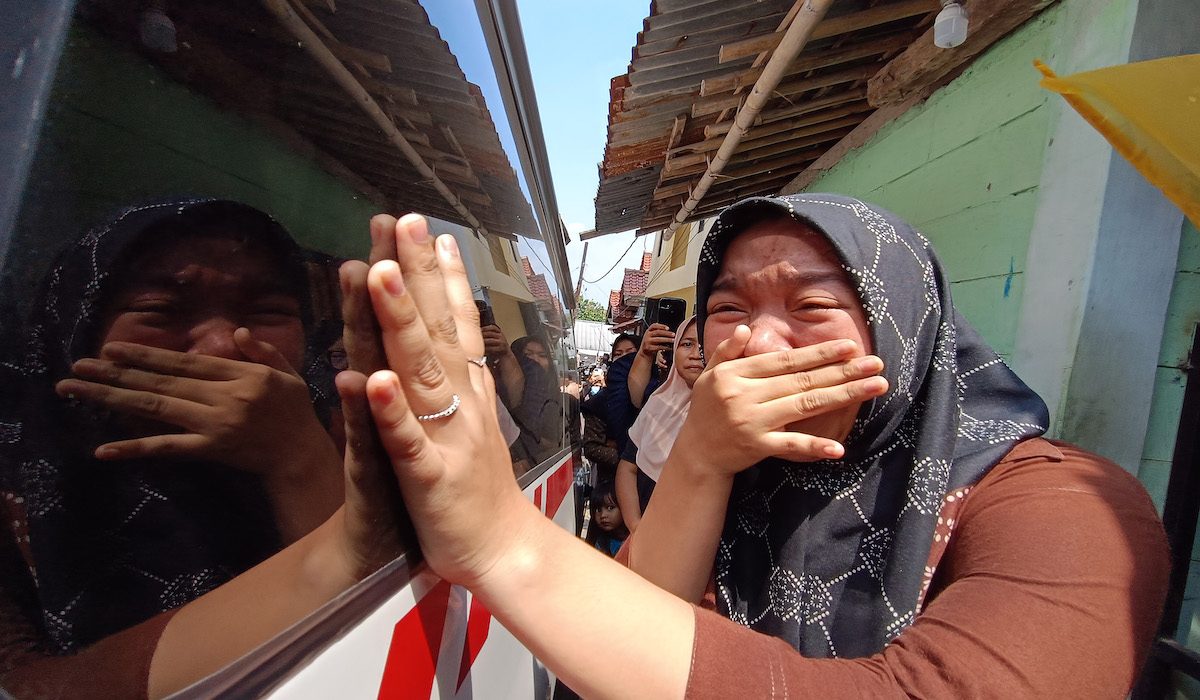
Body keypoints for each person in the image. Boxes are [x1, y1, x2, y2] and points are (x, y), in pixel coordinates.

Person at [355, 198, 1169, 699]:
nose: (754, 342)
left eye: (812, 304)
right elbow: (626, 633)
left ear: (905, 331)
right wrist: (701, 460)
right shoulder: (747, 479)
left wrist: (507, 543)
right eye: (728, 307)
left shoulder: (1069, 509)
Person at [616, 316, 703, 533]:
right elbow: (627, 468)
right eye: (687, 344)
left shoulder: (728, 412)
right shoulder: (658, 402)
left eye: (704, 344)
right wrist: (635, 525)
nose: (695, 354)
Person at [586, 480, 629, 557]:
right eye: (598, 510)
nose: (603, 515)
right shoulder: (602, 544)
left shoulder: (635, 539)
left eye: (610, 508)